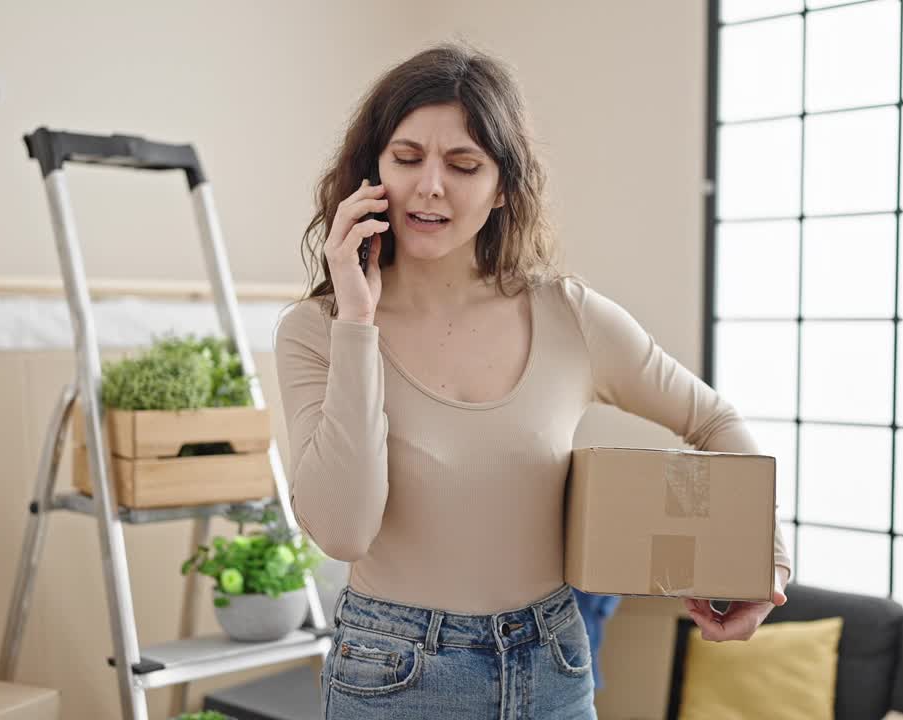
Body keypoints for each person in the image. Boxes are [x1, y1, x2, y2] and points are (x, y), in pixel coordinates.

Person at [274, 42, 791, 720]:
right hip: (394, 676)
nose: (430, 185)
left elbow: (714, 421)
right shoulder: (318, 332)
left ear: (503, 189)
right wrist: (359, 321)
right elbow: (344, 529)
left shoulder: (568, 316)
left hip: (553, 666)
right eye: (406, 159)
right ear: (371, 172)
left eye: (463, 165)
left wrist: (766, 561)